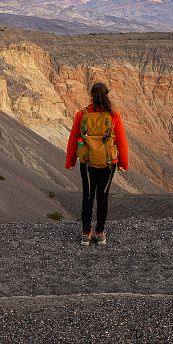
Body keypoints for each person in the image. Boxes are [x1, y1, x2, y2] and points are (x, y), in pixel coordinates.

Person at [65, 82, 129, 245]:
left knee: (87, 196)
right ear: (107, 95)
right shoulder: (114, 115)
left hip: (87, 162)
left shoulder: (82, 114)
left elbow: (73, 139)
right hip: (109, 163)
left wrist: (70, 161)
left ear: (91, 96)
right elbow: (121, 141)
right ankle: (100, 233)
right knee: (103, 196)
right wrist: (123, 163)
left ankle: (86, 233)